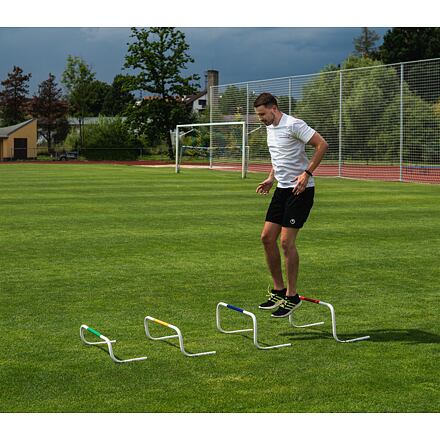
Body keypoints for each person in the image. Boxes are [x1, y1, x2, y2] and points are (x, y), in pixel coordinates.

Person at [254, 92, 328, 318]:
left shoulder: (294, 124)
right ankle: (279, 290)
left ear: (273, 108)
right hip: (282, 189)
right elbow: (280, 156)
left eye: (262, 114)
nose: (260, 119)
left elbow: (322, 145)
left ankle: (292, 296)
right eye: (258, 115)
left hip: (300, 190)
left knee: (286, 242)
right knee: (267, 238)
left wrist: (307, 173)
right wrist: (271, 178)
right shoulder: (270, 127)